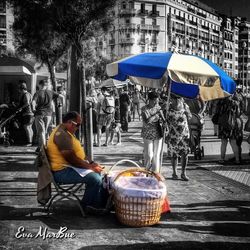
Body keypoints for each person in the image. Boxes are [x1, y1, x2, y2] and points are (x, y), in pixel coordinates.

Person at [47, 111, 108, 213]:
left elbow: (80, 154)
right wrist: (91, 167)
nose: (78, 127)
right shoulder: (61, 135)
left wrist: (92, 162)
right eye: (78, 125)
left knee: (100, 174)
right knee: (95, 178)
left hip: (68, 168)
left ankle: (96, 203)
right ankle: (88, 205)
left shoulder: (66, 131)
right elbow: (72, 159)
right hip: (61, 172)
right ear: (70, 122)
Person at [165, 94, 192, 181]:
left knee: (185, 154)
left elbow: (190, 117)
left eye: (179, 98)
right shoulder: (168, 107)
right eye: (174, 98)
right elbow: (164, 121)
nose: (177, 100)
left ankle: (183, 173)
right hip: (173, 135)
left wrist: (188, 113)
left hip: (184, 135)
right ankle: (174, 173)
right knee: (174, 155)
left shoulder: (185, 106)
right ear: (171, 99)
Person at [32, 79, 63, 149]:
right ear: (45, 85)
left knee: (41, 132)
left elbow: (33, 102)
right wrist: (61, 105)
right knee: (44, 131)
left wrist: (33, 108)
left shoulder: (37, 93)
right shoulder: (51, 92)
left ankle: (43, 149)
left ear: (39, 85)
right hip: (49, 114)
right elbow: (62, 97)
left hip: (39, 113)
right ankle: (40, 147)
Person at [215, 94, 244, 164]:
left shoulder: (220, 102)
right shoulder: (235, 103)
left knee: (223, 143)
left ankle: (222, 159)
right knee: (234, 142)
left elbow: (217, 112)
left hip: (223, 124)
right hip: (232, 124)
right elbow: (238, 113)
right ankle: (237, 160)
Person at [141, 91, 163, 173]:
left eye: (157, 100)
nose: (156, 102)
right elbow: (147, 121)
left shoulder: (159, 108)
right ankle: (146, 171)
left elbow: (164, 120)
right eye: (154, 100)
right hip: (147, 133)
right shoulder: (144, 109)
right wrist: (156, 115)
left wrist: (164, 118)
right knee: (149, 155)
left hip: (158, 133)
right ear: (150, 100)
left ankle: (155, 173)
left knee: (156, 155)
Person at [16, 81, 34, 146]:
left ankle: (29, 142)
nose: (18, 91)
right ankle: (31, 142)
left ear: (22, 89)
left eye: (19, 89)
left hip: (27, 113)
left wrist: (21, 108)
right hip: (31, 113)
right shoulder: (29, 94)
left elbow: (27, 103)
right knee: (29, 127)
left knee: (26, 127)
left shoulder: (25, 95)